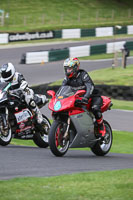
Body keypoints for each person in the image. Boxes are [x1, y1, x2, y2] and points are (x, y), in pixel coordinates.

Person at [62, 57, 106, 137]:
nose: (68, 70)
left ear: (75, 68)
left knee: (95, 109)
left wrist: (86, 97)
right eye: (66, 69)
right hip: (78, 98)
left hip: (92, 97)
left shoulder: (83, 75)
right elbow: (62, 89)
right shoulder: (67, 79)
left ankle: (101, 126)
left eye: (70, 68)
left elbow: (90, 86)